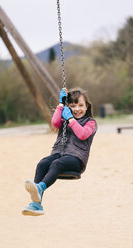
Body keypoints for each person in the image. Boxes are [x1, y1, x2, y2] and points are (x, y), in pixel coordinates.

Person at [22, 87, 97, 216]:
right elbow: (55, 122)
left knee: (57, 164)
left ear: (87, 106)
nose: (77, 109)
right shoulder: (65, 120)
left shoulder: (91, 123)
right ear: (69, 107)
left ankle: (40, 187)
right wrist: (61, 104)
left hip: (76, 159)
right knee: (43, 163)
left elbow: (82, 134)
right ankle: (36, 204)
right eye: (73, 106)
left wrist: (71, 120)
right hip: (59, 153)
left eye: (80, 105)